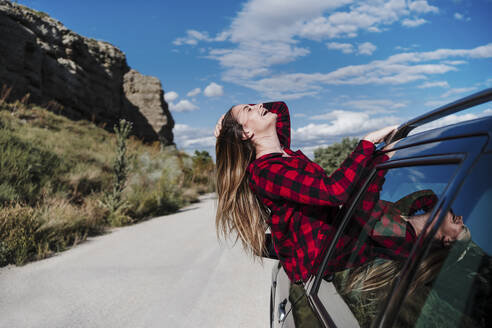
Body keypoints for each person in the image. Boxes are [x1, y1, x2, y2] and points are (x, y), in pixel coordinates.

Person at [214, 101, 397, 283]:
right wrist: (367, 142)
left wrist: (227, 122)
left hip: (335, 239)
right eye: (249, 108)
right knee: (408, 232)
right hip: (322, 256)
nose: (259, 104)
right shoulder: (268, 172)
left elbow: (280, 108)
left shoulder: (282, 151)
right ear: (246, 133)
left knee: (402, 223)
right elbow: (335, 192)